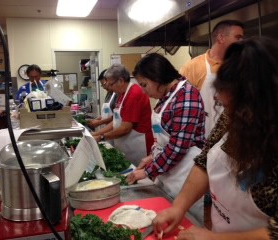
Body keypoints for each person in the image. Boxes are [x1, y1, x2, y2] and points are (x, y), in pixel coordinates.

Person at [152, 37, 278, 240]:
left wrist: (212, 238)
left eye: (232, 105)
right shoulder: (234, 116)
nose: (221, 104)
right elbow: (204, 161)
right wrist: (179, 207)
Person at [126, 53, 205, 224]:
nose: (145, 92)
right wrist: (151, 157)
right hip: (168, 172)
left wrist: (148, 171)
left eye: (145, 85)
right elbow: (163, 140)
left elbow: (178, 147)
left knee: (186, 223)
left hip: (185, 175)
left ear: (157, 77)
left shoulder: (187, 96)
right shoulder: (165, 98)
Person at [180, 19, 244, 138]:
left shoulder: (241, 65)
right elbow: (180, 106)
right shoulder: (193, 67)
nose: (241, 42)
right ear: (220, 38)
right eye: (238, 37)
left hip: (235, 140)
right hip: (204, 139)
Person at [92, 63, 154, 166]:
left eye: (111, 84)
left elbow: (125, 128)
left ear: (121, 80)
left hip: (139, 146)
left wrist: (102, 137)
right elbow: (116, 122)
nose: (110, 88)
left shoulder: (134, 94)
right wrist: (96, 134)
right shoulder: (122, 94)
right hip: (127, 144)